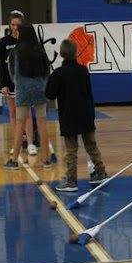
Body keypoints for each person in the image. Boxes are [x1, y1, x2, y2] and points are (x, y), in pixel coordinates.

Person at [45, 40, 108, 192]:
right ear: (76, 53)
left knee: (71, 150)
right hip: (86, 113)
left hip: (69, 115)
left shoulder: (58, 73)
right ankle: (101, 172)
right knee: (91, 145)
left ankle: (71, 181)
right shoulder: (83, 70)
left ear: (61, 54)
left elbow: (49, 94)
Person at [3, 22, 53, 170]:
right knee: (42, 124)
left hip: (22, 91)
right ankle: (47, 160)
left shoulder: (15, 53)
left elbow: (12, 74)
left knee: (19, 125)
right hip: (39, 90)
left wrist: (20, 84)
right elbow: (47, 72)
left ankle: (14, 161)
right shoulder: (41, 52)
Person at [0, 10, 37, 156]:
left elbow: (33, 63)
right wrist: (3, 84)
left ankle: (31, 144)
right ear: (9, 25)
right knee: (13, 113)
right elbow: (0, 65)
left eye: (18, 25)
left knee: (25, 113)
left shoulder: (28, 41)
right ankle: (17, 144)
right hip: (9, 83)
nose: (15, 27)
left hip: (24, 82)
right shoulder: (3, 42)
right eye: (13, 24)